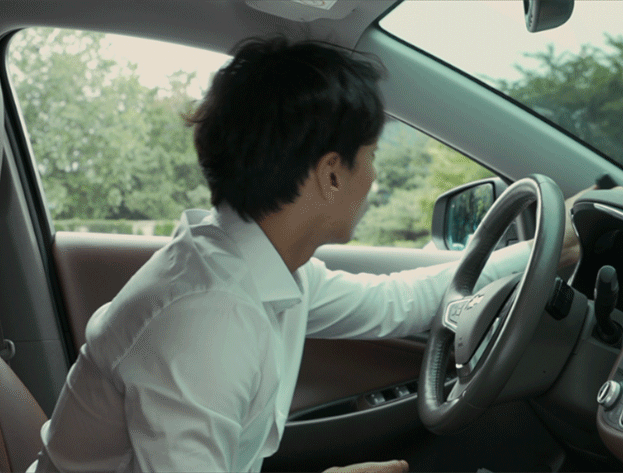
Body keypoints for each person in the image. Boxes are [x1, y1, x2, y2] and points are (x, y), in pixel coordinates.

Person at [30, 37, 588, 473]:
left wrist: (540, 251)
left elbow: (396, 302)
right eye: (371, 156)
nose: (375, 177)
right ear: (331, 174)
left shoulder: (258, 265)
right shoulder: (205, 321)